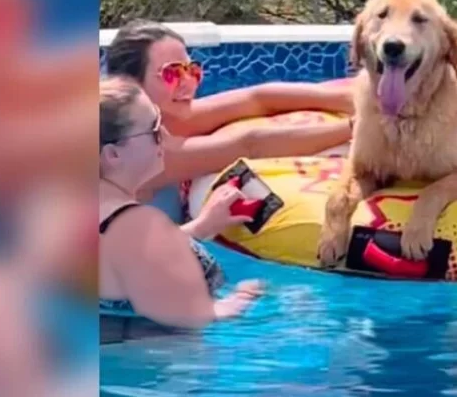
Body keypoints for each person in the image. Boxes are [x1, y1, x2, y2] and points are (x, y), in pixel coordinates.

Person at [103, 19, 356, 224]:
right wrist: (356, 128)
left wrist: (349, 98)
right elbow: (249, 145)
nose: (187, 84)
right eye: (171, 73)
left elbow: (256, 99)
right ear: (129, 83)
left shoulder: (166, 116)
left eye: (191, 71)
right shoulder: (133, 147)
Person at [99, 76, 263, 341]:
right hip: (165, 369)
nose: (165, 136)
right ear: (113, 155)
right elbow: (207, 315)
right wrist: (245, 295)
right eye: (154, 131)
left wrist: (201, 227)